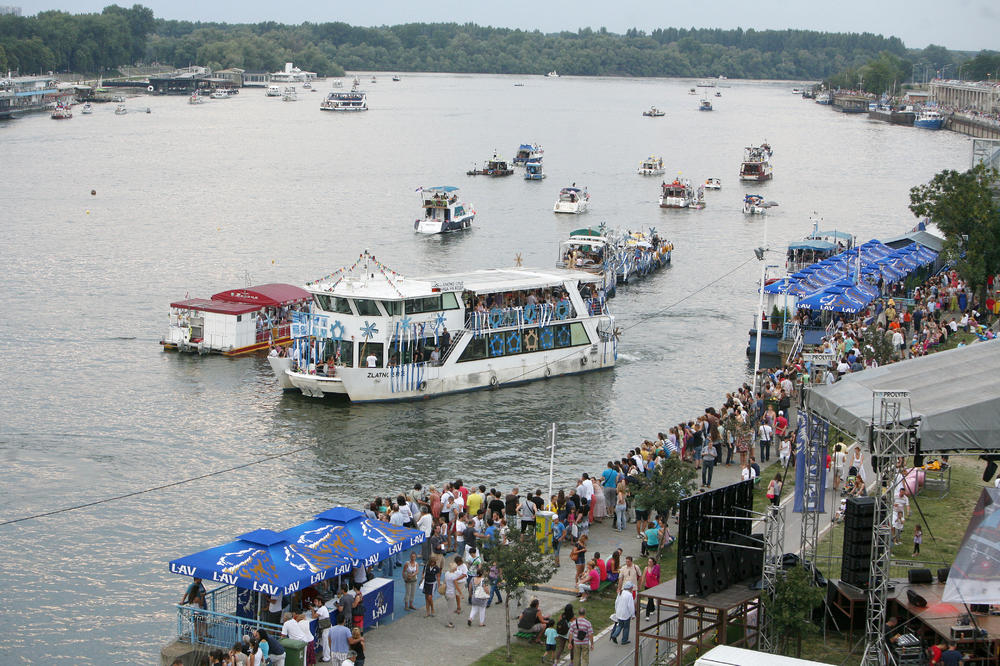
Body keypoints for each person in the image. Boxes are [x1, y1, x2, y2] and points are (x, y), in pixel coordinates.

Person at [610, 581, 635, 645]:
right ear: (629, 588)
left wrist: (616, 610)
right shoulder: (629, 595)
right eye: (632, 587)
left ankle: (614, 635)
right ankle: (624, 640)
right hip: (626, 614)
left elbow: (616, 602)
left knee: (620, 625)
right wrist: (633, 614)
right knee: (626, 627)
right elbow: (631, 606)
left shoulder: (620, 593)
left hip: (619, 613)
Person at [313, 596, 332, 662]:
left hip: (326, 628)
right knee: (323, 642)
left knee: (325, 643)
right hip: (326, 628)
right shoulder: (323, 608)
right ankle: (326, 654)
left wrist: (312, 610)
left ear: (320, 602)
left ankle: (326, 657)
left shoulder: (321, 609)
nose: (315, 603)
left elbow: (314, 616)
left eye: (316, 601)